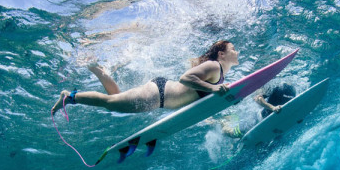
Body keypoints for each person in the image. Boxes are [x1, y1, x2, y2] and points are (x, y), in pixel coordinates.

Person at [51, 40, 239, 115]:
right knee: (110, 102)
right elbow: (185, 78)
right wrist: (214, 88)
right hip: (159, 95)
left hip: (160, 93)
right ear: (221, 54)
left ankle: (98, 70)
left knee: (116, 99)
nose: (236, 52)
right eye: (232, 49)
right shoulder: (214, 66)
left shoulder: (218, 73)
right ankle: (69, 97)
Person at [219, 82, 296, 138]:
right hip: (257, 119)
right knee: (233, 133)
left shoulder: (292, 90)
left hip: (275, 122)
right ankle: (223, 123)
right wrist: (273, 108)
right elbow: (257, 98)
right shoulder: (276, 87)